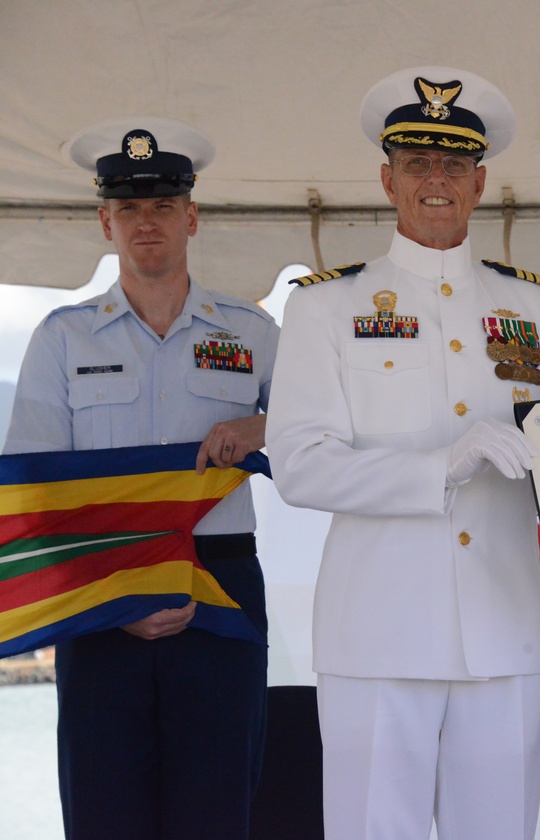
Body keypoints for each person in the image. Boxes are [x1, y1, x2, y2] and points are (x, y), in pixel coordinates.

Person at [264, 66, 540, 840]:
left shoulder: (534, 306)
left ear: (479, 183)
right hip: (377, 634)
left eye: (452, 165)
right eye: (416, 163)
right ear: (386, 179)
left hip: (501, 628)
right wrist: (439, 464)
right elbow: (299, 463)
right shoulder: (325, 305)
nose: (434, 180)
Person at [4, 117, 278, 839]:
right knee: (104, 818)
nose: (145, 222)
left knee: (217, 816)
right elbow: (34, 496)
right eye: (128, 207)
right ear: (104, 222)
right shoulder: (61, 339)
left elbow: (320, 444)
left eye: (162, 206)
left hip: (219, 590)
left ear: (191, 217)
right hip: (99, 607)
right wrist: (113, 602)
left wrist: (261, 429)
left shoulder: (251, 333)